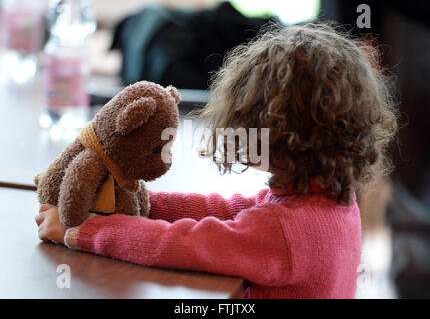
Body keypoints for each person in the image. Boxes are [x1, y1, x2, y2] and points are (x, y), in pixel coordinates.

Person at [35, 24, 397, 299]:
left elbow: (186, 244)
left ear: (282, 133)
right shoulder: (325, 197)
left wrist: (82, 232)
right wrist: (140, 204)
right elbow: (228, 210)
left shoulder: (286, 231)